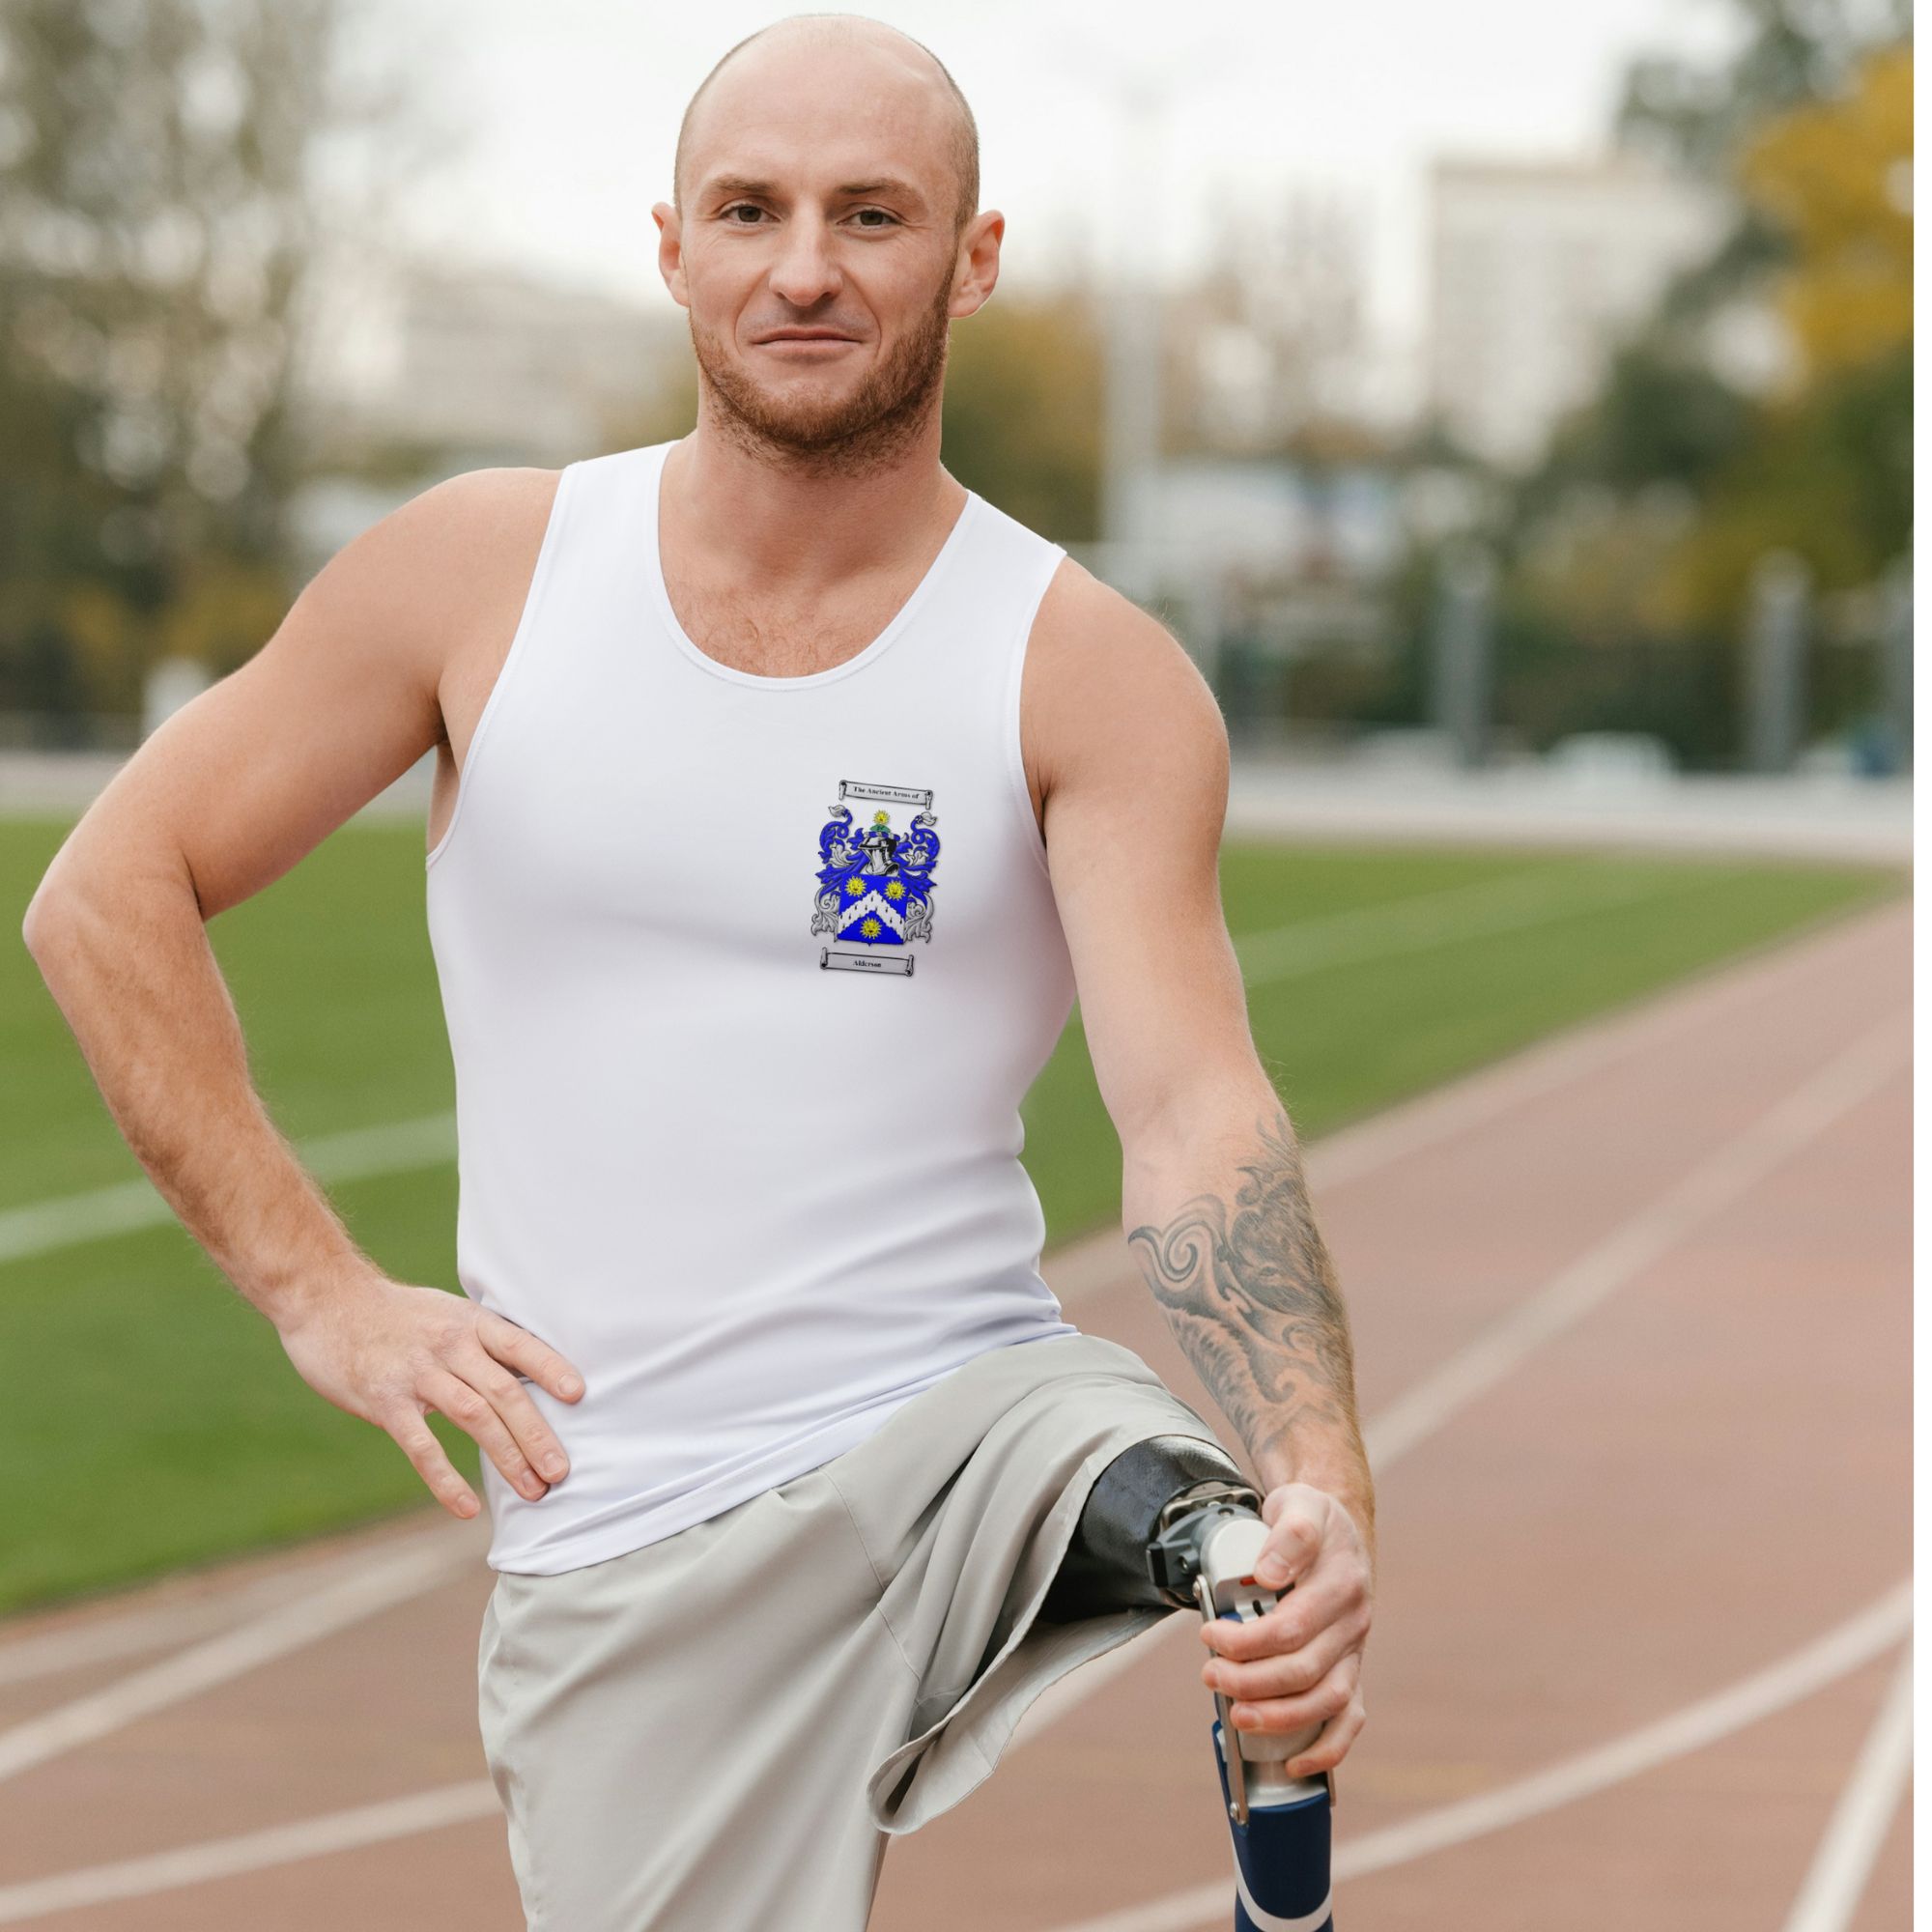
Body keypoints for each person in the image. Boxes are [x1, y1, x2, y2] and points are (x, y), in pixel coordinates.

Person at [21, 14, 1377, 1927]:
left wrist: (1322, 1479)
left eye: (872, 213)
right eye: (751, 209)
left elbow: (1187, 1105)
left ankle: (1234, 1587)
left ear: (973, 256)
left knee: (1188, 1505)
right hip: (627, 1518)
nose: (804, 265)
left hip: (956, 1410)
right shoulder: (477, 574)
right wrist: (316, 1289)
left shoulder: (1083, 667)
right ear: (672, 247)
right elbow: (106, 890)